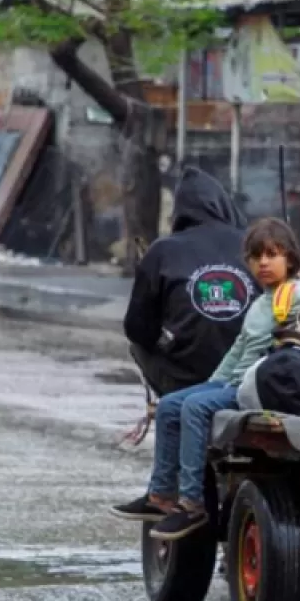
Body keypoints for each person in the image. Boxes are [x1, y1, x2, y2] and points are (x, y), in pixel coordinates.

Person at [115, 218, 300, 540]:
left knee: (195, 409)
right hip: (234, 382)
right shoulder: (260, 303)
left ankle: (192, 505)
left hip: (260, 387)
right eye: (255, 257)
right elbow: (236, 352)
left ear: (290, 259)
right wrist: (211, 384)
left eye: (272, 254)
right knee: (170, 405)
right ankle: (160, 495)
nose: (263, 263)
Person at [111, 167, 256, 517]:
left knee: (139, 346)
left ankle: (165, 476)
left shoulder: (164, 251)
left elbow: (137, 328)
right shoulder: (257, 249)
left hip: (190, 376)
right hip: (254, 373)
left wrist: (167, 341)